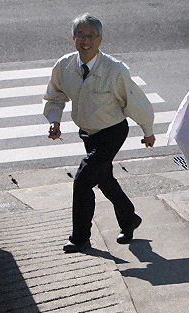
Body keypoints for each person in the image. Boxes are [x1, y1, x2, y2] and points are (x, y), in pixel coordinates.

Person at [43, 13, 155, 253]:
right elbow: (55, 95)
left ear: (100, 39)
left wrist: (148, 130)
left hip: (112, 132)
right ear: (73, 38)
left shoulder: (115, 70)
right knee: (104, 180)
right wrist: (55, 121)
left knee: (83, 181)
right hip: (88, 133)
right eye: (81, 35)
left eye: (91, 36)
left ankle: (80, 238)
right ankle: (129, 219)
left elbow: (135, 101)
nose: (86, 40)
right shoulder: (64, 66)